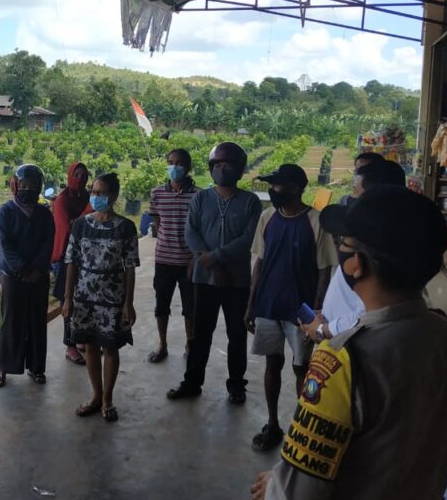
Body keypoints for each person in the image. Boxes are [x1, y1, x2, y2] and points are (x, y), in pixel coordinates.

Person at [251, 187, 447, 500]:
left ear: (356, 264)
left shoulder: (341, 360)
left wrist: (277, 485)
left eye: (344, 244)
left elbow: (302, 497)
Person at [246, 164, 336, 451]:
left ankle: (302, 428)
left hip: (302, 311)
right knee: (272, 364)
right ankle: (272, 424)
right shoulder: (267, 218)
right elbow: (259, 263)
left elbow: (324, 270)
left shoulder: (316, 221)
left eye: (278, 186)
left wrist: (316, 315)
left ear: (295, 189)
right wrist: (251, 304)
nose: (273, 190)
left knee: (303, 369)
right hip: (269, 305)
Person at [168, 142, 262, 403]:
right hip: (204, 279)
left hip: (237, 281)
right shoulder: (201, 198)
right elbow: (191, 233)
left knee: (237, 335)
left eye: (227, 165)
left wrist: (215, 258)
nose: (222, 170)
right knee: (200, 334)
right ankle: (192, 382)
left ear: (239, 169)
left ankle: (236, 385)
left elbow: (248, 238)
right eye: (217, 165)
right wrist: (212, 264)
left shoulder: (250, 202)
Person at [300, 159, 406, 345]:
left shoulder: (374, 250)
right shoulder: (373, 238)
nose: (350, 198)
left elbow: (370, 314)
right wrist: (328, 314)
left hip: (349, 345)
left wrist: (324, 330)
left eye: (355, 191)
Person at [62, 173, 139, 422]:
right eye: (93, 192)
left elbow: (130, 267)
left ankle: (108, 399)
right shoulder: (80, 225)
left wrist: (128, 303)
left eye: (102, 193)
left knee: (111, 347)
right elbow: (71, 262)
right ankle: (96, 395)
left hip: (113, 298)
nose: (96, 197)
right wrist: (68, 298)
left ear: (114, 196)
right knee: (90, 347)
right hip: (84, 297)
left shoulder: (126, 227)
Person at [0, 164, 55, 388]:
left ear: (40, 187)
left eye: (33, 185)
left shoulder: (44, 214)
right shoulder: (5, 212)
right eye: (24, 185)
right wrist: (22, 270)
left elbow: (48, 243)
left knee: (37, 321)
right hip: (12, 275)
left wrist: (36, 269)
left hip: (38, 276)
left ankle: (37, 368)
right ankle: (3, 368)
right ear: (15, 186)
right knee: (11, 321)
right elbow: (5, 245)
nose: (28, 189)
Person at [147, 148, 197, 363]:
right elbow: (157, 223)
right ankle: (163, 345)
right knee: (161, 306)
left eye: (179, 163)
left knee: (190, 308)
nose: (174, 167)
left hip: (189, 262)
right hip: (164, 260)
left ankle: (190, 345)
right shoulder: (157, 193)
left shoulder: (198, 195)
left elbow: (201, 229)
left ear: (188, 167)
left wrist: (195, 257)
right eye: (170, 162)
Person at [51, 162, 90, 365]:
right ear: (69, 176)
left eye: (84, 175)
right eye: (76, 175)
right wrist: (88, 214)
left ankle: (80, 338)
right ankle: (70, 345)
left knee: (84, 300)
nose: (80, 179)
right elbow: (68, 229)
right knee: (67, 301)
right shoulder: (62, 201)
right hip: (65, 257)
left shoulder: (87, 197)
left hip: (86, 256)